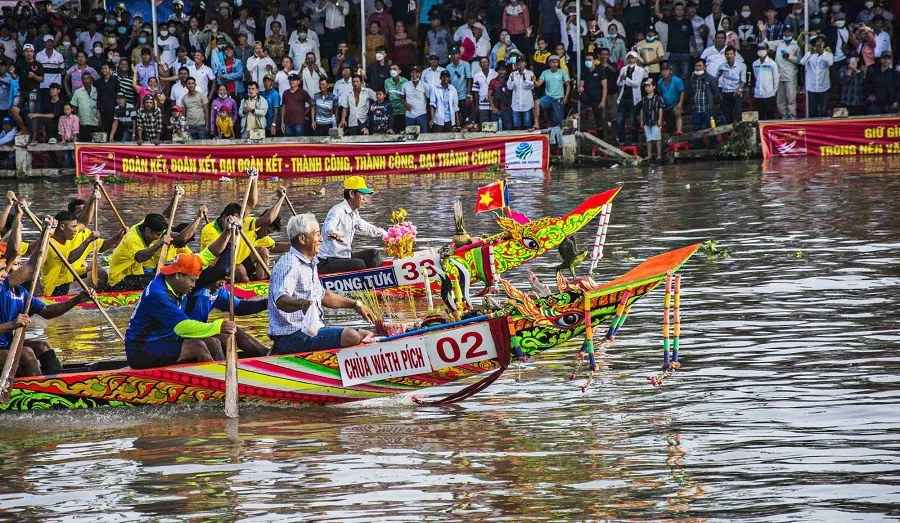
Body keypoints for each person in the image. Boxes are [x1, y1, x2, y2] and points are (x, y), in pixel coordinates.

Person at [0, 212, 93, 377]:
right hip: (3, 347)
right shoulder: (2, 287)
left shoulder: (21, 292)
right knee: (27, 353)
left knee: (42, 345)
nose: (5, 274)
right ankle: (42, 390)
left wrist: (77, 299)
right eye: (13, 266)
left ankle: (59, 380)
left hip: (5, 344)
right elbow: (30, 267)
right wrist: (12, 325)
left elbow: (48, 312)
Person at [268, 213, 375, 355]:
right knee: (351, 336)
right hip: (291, 336)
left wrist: (356, 304)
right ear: (302, 239)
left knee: (367, 335)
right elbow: (281, 301)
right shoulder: (289, 264)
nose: (321, 239)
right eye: (317, 234)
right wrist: (302, 304)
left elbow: (325, 296)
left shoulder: (309, 262)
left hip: (312, 330)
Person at [124, 248, 237, 370]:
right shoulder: (159, 295)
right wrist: (218, 326)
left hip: (163, 340)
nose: (194, 285)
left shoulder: (167, 276)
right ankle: (215, 381)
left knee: (213, 342)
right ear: (178, 275)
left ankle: (225, 374)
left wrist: (227, 234)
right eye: (192, 281)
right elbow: (183, 327)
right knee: (197, 346)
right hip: (141, 350)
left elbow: (206, 256)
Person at [199, 181, 289, 282]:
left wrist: (255, 179)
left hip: (236, 263)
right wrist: (280, 198)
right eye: (232, 220)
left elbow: (250, 203)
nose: (236, 224)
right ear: (224, 217)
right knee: (240, 269)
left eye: (238, 221)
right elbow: (219, 255)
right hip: (216, 268)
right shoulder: (210, 230)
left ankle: (263, 282)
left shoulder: (243, 223)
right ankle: (245, 291)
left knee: (262, 251)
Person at [105, 189, 194, 291]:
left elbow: (165, 216)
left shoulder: (147, 223)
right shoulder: (133, 238)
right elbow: (140, 257)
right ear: (148, 230)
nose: (157, 237)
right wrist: (159, 243)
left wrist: (175, 198)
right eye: (157, 235)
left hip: (134, 273)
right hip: (119, 280)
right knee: (161, 280)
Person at [42, 205, 126, 296]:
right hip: (55, 289)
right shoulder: (52, 244)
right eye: (73, 227)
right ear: (62, 227)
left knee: (102, 273)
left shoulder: (67, 235)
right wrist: (88, 240)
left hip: (66, 280)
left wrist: (118, 236)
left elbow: (84, 222)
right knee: (98, 283)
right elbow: (70, 259)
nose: (75, 230)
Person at [317, 177, 387, 274]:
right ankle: (364, 286)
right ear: (351, 194)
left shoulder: (354, 214)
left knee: (373, 254)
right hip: (326, 261)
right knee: (358, 264)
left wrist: (384, 234)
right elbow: (329, 226)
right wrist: (333, 233)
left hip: (344, 257)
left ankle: (377, 281)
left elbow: (366, 228)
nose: (364, 198)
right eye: (362, 194)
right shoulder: (337, 211)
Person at [763, 25, 800, 120]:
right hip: (779, 75)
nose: (787, 33)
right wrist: (762, 31)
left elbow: (800, 60)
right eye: (785, 32)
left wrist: (789, 57)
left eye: (789, 32)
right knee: (780, 100)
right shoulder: (779, 43)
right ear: (783, 33)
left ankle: (792, 117)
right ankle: (784, 117)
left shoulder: (796, 45)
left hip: (790, 75)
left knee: (791, 98)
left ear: (792, 33)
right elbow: (766, 43)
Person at [688, 58, 719, 150]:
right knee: (696, 129)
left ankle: (713, 148)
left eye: (699, 66)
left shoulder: (711, 79)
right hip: (696, 108)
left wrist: (713, 105)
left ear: (704, 67)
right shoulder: (692, 79)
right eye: (696, 66)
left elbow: (716, 93)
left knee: (710, 129)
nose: (697, 68)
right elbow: (689, 93)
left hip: (708, 108)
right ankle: (698, 149)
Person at [532, 54, 570, 130]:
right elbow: (538, 84)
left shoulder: (562, 72)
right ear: (549, 63)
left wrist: (566, 97)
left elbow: (568, 85)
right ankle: (536, 124)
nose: (555, 64)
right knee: (537, 103)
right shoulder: (545, 72)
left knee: (559, 121)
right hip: (548, 97)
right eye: (553, 62)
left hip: (559, 98)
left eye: (556, 62)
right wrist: (534, 81)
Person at [617, 51, 646, 146]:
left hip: (634, 98)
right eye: (629, 58)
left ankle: (634, 141)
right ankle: (621, 140)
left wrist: (626, 79)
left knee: (633, 121)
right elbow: (619, 83)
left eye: (632, 58)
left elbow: (637, 84)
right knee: (620, 120)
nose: (630, 59)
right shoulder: (623, 69)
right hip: (623, 97)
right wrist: (622, 80)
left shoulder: (640, 70)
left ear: (636, 59)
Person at [800, 36, 834, 118]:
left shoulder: (828, 55)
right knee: (813, 110)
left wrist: (822, 53)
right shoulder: (810, 54)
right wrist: (811, 52)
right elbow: (802, 62)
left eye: (821, 43)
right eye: (817, 43)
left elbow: (830, 63)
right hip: (812, 86)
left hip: (824, 86)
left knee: (824, 110)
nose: (819, 45)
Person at [579, 51, 607, 131]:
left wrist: (603, 101)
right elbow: (581, 84)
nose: (588, 61)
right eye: (586, 60)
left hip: (597, 98)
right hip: (587, 97)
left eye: (589, 59)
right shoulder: (584, 71)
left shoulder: (600, 70)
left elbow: (605, 86)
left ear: (594, 61)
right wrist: (580, 88)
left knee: (599, 119)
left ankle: (601, 136)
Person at [717, 45, 746, 124]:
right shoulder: (722, 66)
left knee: (737, 114)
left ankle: (738, 134)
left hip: (736, 92)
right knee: (727, 115)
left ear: (734, 54)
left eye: (731, 54)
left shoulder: (741, 66)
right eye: (727, 54)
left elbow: (743, 81)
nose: (729, 56)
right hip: (725, 92)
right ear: (725, 55)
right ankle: (729, 135)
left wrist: (739, 89)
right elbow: (715, 78)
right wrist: (718, 91)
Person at [507, 52, 535, 130]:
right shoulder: (512, 74)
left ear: (525, 64)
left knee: (527, 124)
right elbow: (509, 87)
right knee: (517, 125)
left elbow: (532, 86)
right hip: (516, 103)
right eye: (518, 62)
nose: (520, 64)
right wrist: (512, 80)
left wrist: (525, 79)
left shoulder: (530, 73)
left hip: (527, 103)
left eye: (522, 62)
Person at [751, 41, 778, 121]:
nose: (761, 50)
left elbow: (776, 78)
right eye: (759, 49)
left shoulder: (772, 63)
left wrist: (773, 92)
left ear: (767, 50)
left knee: (770, 116)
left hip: (769, 94)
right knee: (760, 117)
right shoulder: (755, 64)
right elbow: (755, 77)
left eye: (763, 49)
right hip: (758, 94)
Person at [445, 46, 472, 125]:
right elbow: (447, 82)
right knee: (453, 117)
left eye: (456, 53)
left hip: (463, 94)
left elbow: (469, 79)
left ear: (460, 54)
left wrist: (468, 94)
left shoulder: (465, 64)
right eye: (452, 54)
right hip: (452, 95)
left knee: (465, 116)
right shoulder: (448, 66)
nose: (454, 56)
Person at [639, 78, 664, 162]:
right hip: (647, 121)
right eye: (646, 86)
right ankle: (649, 154)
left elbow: (660, 109)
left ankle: (659, 154)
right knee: (648, 139)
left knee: (657, 138)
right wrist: (642, 120)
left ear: (653, 87)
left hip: (655, 121)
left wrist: (660, 119)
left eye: (649, 86)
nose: (647, 88)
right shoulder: (644, 99)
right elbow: (642, 110)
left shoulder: (658, 98)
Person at [400, 66, 431, 131]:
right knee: (409, 136)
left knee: (423, 136)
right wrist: (405, 104)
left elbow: (428, 98)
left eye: (417, 72)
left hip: (421, 115)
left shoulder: (425, 85)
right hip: (409, 116)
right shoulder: (405, 85)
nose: (414, 74)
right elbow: (401, 98)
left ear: (420, 74)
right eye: (412, 72)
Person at [657, 62, 684, 135]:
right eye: (663, 70)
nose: (664, 72)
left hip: (675, 103)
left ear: (671, 71)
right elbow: (660, 93)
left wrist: (680, 103)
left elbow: (682, 92)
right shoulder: (660, 82)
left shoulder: (677, 80)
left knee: (677, 112)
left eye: (666, 70)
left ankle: (679, 130)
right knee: (668, 122)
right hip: (665, 105)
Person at [384, 64, 408, 134]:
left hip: (403, 110)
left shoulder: (405, 81)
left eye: (394, 69)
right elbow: (386, 95)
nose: (392, 71)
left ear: (399, 71)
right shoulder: (386, 82)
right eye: (391, 69)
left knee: (403, 133)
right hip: (392, 111)